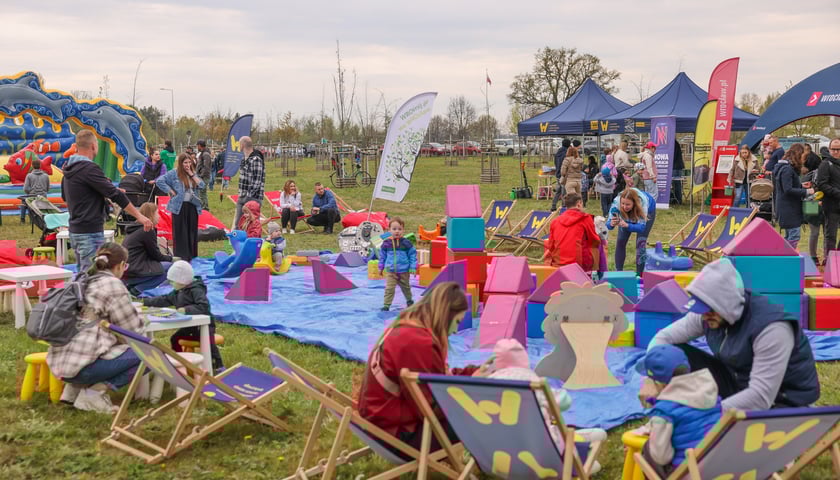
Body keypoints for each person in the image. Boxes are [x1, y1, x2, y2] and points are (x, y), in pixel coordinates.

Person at [644, 258, 819, 410]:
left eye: (709, 310)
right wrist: (652, 376)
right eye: (701, 308)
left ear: (725, 304)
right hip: (737, 380)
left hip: (783, 400)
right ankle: (672, 404)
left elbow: (761, 397)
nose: (704, 315)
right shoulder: (708, 313)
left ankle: (686, 408)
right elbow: (663, 338)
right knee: (672, 352)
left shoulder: (771, 329)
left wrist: (706, 415)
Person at [359, 282, 478, 456]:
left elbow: (437, 378)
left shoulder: (408, 327)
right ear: (445, 315)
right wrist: (475, 399)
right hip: (398, 436)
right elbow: (431, 408)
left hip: (382, 423)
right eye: (457, 321)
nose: (456, 330)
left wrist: (474, 374)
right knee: (484, 417)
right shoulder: (417, 343)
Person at [46, 243, 144, 413]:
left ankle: (73, 390)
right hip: (84, 366)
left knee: (100, 339)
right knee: (148, 354)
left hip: (59, 363)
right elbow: (132, 331)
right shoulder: (113, 285)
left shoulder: (81, 279)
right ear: (120, 265)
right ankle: (94, 393)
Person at [487, 339, 607, 474]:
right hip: (543, 456)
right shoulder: (532, 384)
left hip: (500, 457)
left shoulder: (482, 389)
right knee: (594, 463)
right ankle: (574, 444)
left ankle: (576, 438)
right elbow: (565, 401)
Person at [62, 130, 152, 274]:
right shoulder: (89, 169)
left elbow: (67, 196)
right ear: (93, 146)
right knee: (93, 277)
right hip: (89, 232)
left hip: (76, 230)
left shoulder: (69, 169)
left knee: (83, 275)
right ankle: (80, 296)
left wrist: (101, 192)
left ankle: (78, 295)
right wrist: (139, 216)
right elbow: (116, 195)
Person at [637, 345, 722, 477]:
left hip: (688, 472)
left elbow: (662, 457)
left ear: (658, 383)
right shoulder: (710, 393)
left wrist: (657, 410)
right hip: (715, 465)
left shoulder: (664, 412)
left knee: (648, 450)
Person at [142, 261, 224, 372]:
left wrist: (186, 310)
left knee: (208, 343)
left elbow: (203, 306)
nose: (170, 283)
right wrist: (145, 302)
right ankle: (179, 361)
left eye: (172, 281)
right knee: (175, 338)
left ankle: (217, 365)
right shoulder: (177, 291)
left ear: (182, 280)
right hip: (189, 326)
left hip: (204, 326)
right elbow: (164, 299)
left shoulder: (196, 290)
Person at [156, 153, 204, 262]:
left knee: (191, 231)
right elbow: (160, 181)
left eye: (189, 162)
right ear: (180, 163)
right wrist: (170, 190)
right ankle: (182, 256)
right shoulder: (174, 173)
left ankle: (192, 255)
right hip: (179, 206)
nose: (187, 165)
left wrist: (191, 174)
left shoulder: (193, 174)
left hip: (192, 206)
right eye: (185, 163)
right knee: (180, 232)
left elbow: (202, 185)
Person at [122, 202, 172, 295]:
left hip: (127, 270)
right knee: (170, 267)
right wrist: (172, 259)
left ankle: (131, 286)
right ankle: (138, 290)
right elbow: (156, 255)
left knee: (161, 267)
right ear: (152, 215)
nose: (159, 217)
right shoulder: (147, 230)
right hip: (136, 270)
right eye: (157, 214)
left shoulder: (135, 228)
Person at [545, 193, 600, 272]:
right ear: (579, 204)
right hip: (580, 265)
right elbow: (594, 240)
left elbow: (551, 245)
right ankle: (597, 275)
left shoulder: (555, 221)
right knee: (598, 247)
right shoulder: (585, 219)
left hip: (558, 263)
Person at [607, 188, 657, 274]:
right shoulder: (616, 204)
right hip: (627, 213)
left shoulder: (642, 204)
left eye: (628, 204)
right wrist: (611, 223)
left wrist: (627, 225)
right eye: (623, 204)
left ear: (634, 203)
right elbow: (608, 226)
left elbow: (641, 228)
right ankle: (618, 272)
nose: (624, 207)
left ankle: (640, 274)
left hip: (649, 209)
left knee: (640, 243)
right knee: (621, 241)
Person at [773, 143, 812, 249]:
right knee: (794, 235)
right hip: (788, 208)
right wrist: (807, 192)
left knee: (790, 235)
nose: (804, 159)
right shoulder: (787, 169)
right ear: (799, 155)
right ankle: (788, 257)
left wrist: (800, 185)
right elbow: (788, 190)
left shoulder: (787, 168)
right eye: (804, 156)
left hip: (788, 207)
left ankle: (786, 255)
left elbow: (787, 186)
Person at [379, 217, 417, 311]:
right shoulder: (386, 243)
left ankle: (409, 300)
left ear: (403, 230)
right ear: (389, 230)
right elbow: (382, 256)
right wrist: (381, 267)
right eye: (394, 229)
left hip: (404, 271)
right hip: (391, 271)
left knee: (406, 287)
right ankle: (386, 305)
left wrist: (413, 267)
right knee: (389, 289)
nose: (397, 231)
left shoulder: (406, 243)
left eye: (399, 229)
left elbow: (412, 255)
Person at [232, 136, 265, 229]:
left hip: (253, 197)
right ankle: (237, 242)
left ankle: (251, 242)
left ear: (242, 145)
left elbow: (257, 181)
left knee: (252, 225)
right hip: (242, 196)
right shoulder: (244, 159)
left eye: (239, 144)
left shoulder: (256, 159)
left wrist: (249, 197)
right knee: (238, 224)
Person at [818, 138, 840, 254]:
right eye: (833, 149)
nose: (835, 152)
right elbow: (822, 184)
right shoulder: (825, 164)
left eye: (838, 149)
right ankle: (830, 260)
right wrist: (836, 193)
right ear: (829, 149)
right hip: (831, 205)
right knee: (831, 235)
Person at [22, 157, 50, 222]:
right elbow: (47, 188)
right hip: (43, 197)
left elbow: (25, 188)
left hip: (32, 197)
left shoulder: (29, 176)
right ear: (40, 166)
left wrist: (29, 192)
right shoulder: (46, 176)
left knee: (23, 203)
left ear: (32, 166)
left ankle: (22, 219)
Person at [550, 139, 571, 211]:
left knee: (558, 191)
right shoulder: (566, 153)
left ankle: (553, 205)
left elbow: (555, 162)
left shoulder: (558, 152)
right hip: (564, 175)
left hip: (558, 173)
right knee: (564, 191)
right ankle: (563, 207)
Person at [195, 140, 212, 211]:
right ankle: (203, 206)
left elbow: (206, 167)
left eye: (197, 146)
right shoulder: (203, 153)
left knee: (202, 192)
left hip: (204, 177)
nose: (197, 147)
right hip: (201, 176)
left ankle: (205, 208)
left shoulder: (205, 154)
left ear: (199, 145)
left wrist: (201, 176)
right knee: (201, 192)